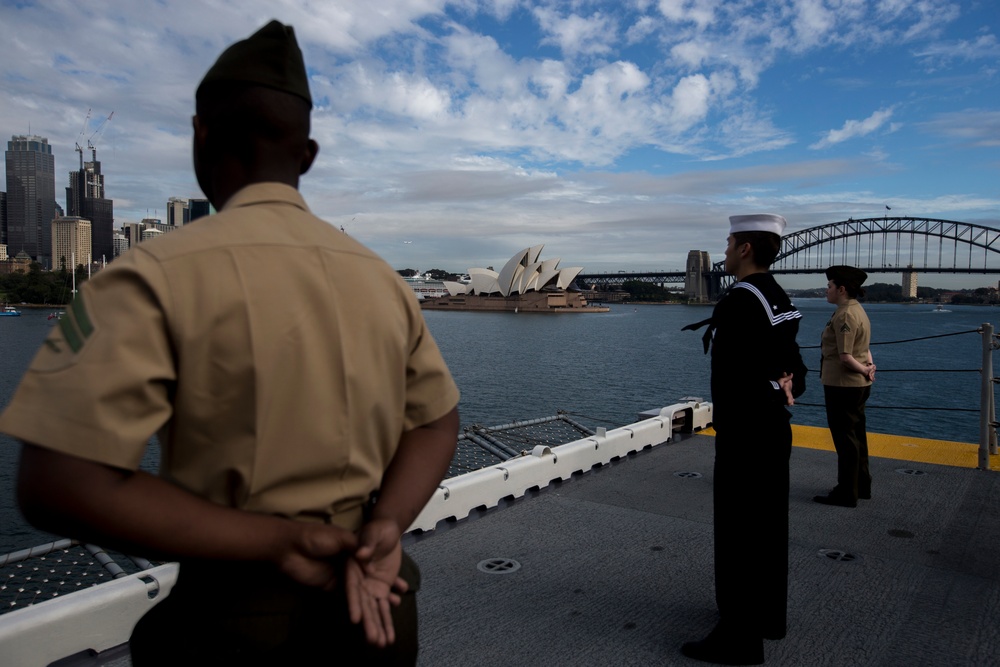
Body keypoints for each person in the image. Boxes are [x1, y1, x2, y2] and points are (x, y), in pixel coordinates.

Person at [0, 20, 460, 665]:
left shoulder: (150, 275)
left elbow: (60, 483)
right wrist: (386, 525)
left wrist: (276, 542)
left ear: (201, 136)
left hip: (232, 629)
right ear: (307, 155)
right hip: (379, 610)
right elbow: (437, 425)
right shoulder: (380, 278)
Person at [682, 214, 806, 665]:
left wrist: (764, 393)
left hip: (745, 436)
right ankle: (767, 619)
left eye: (730, 242)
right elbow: (794, 370)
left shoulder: (739, 301)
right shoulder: (775, 294)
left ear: (746, 248)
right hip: (774, 430)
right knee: (768, 529)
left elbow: (736, 377)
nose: (726, 250)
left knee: (738, 534)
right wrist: (781, 389)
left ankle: (738, 637)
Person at [814, 265, 875, 508]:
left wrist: (864, 369)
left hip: (842, 385)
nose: (826, 290)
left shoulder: (845, 315)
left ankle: (846, 493)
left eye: (829, 287)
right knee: (857, 436)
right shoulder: (857, 310)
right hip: (856, 386)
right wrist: (870, 365)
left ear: (841, 289)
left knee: (845, 440)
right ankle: (862, 486)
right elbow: (864, 347)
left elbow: (846, 356)